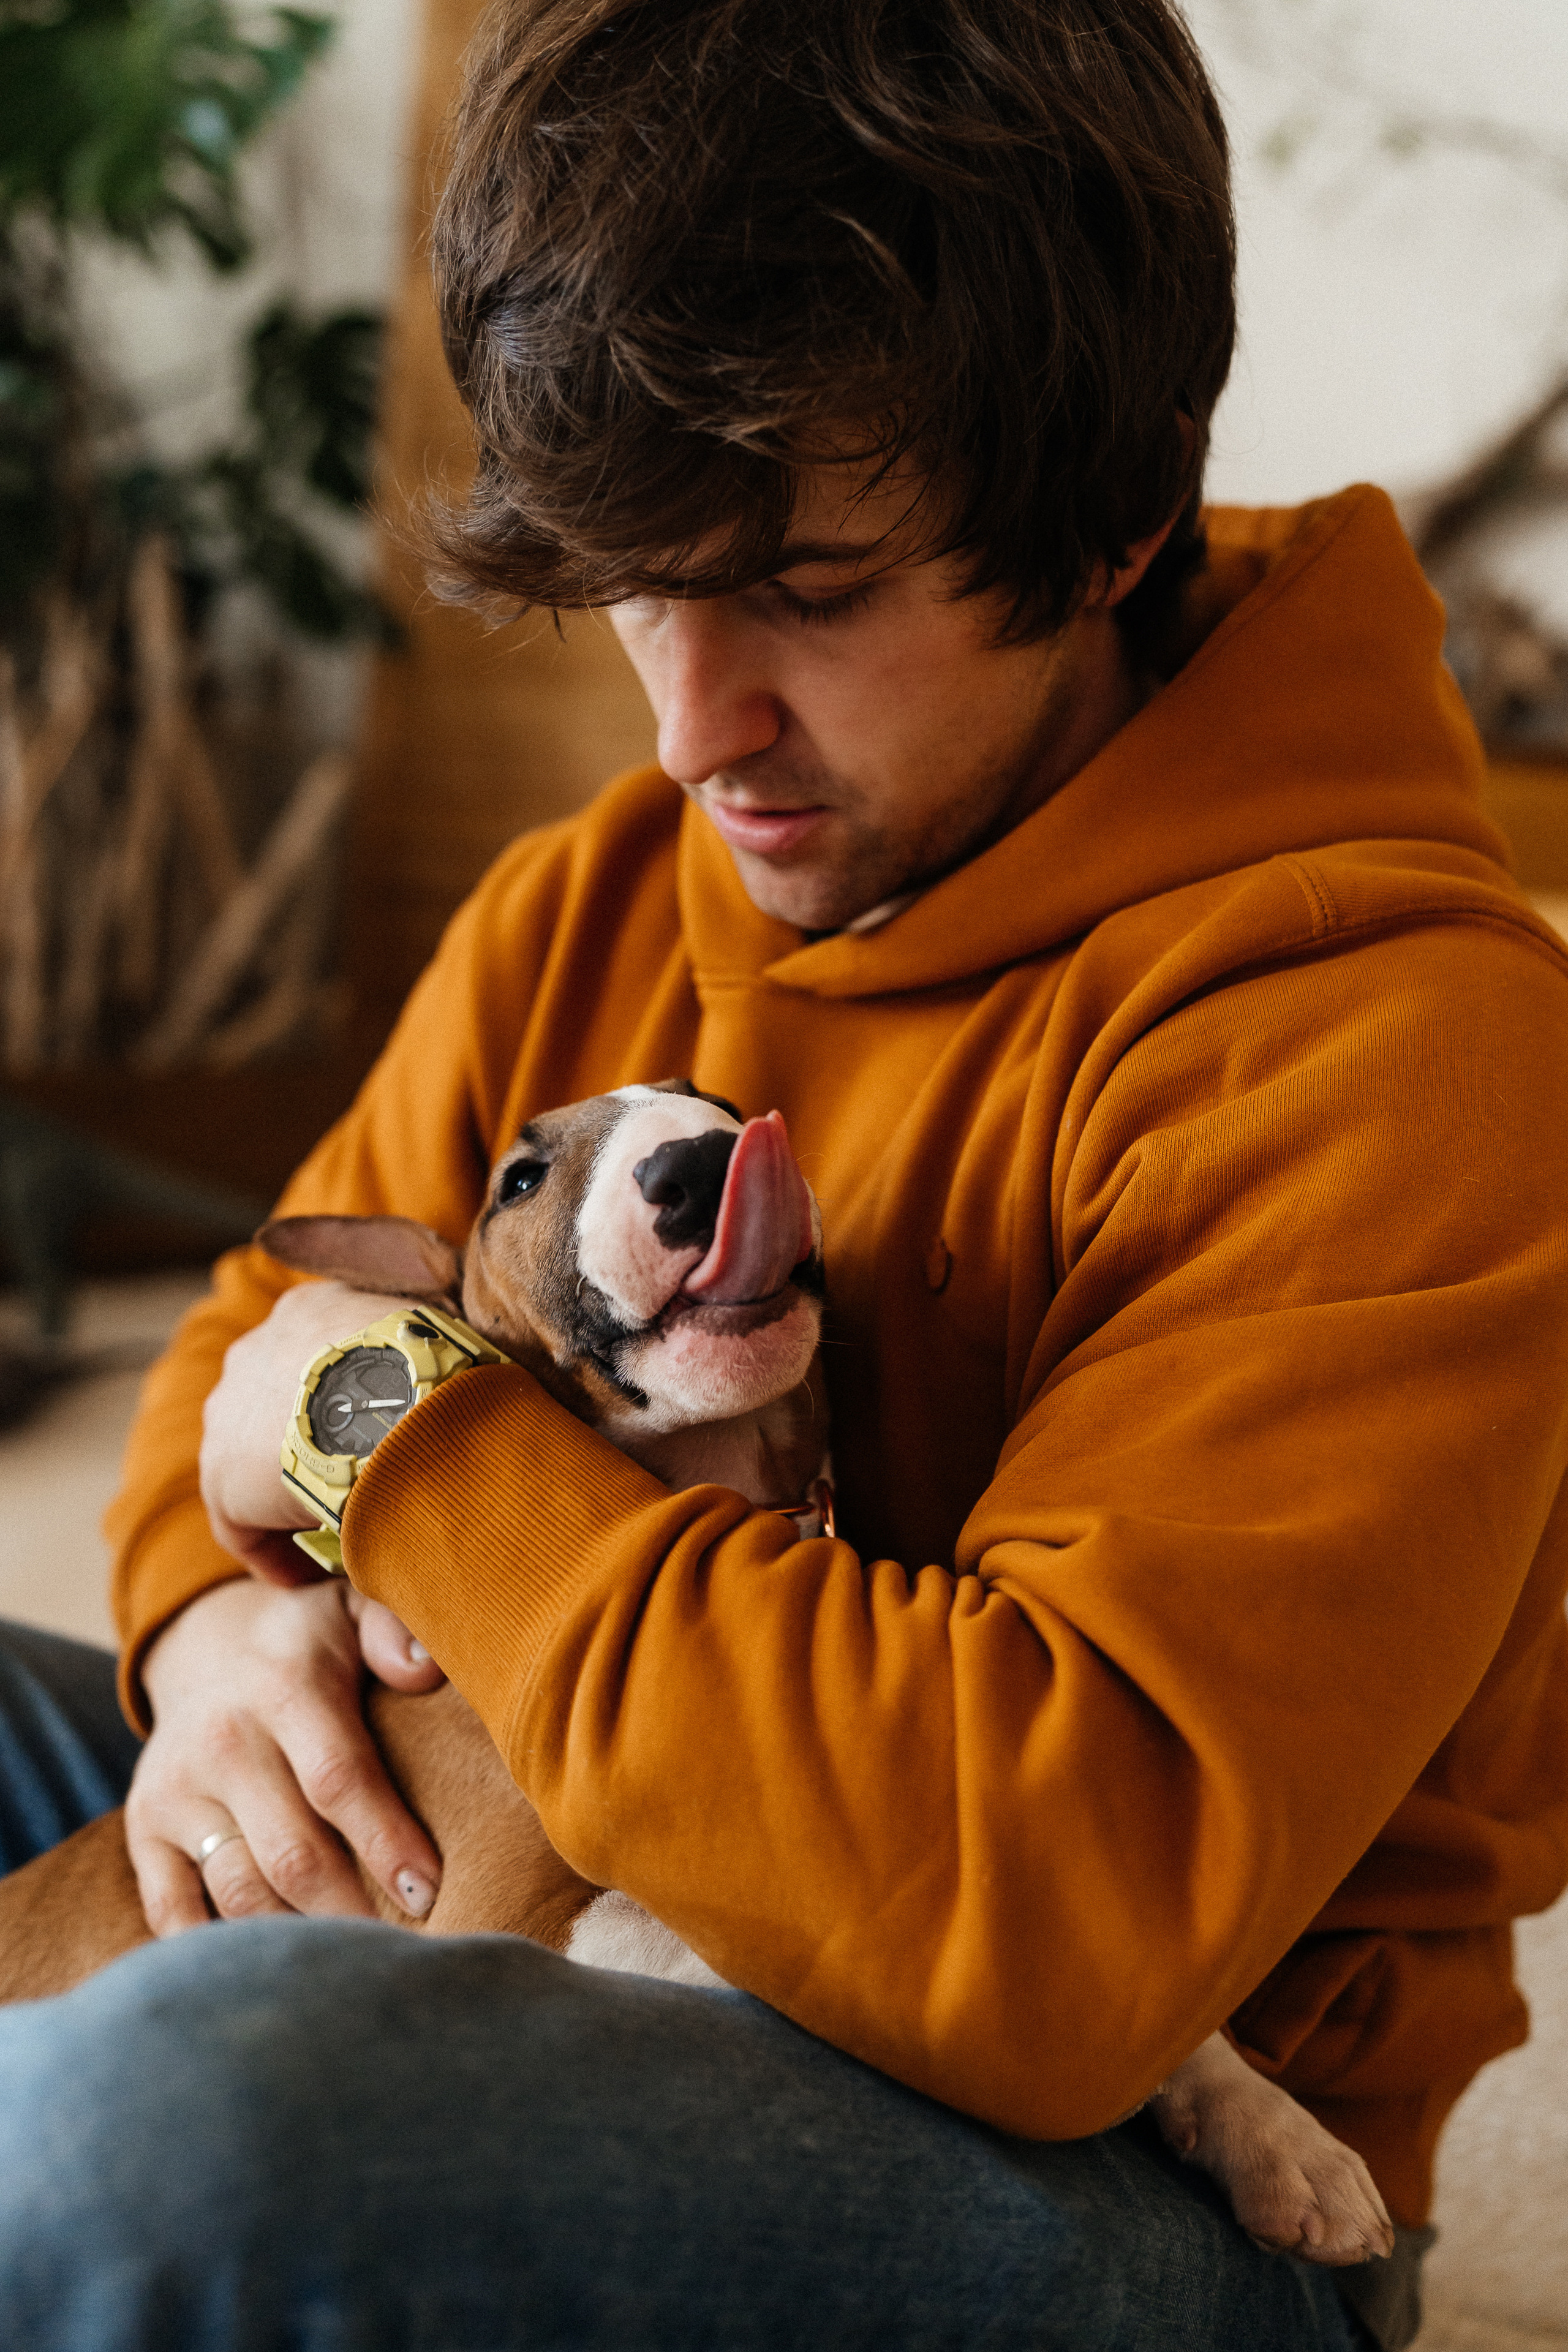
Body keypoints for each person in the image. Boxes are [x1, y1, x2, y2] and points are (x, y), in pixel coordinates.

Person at [1, 2, 1564, 2346]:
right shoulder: (597, 894)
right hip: (504, 1864)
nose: (683, 726)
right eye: (636, 581)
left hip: (1105, 2172)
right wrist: (223, 1638)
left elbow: (1050, 1926)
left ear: (1115, 507)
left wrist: (380, 1433)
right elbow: (245, 1347)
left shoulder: (1399, 1042)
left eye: (810, 591)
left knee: (162, 2124)